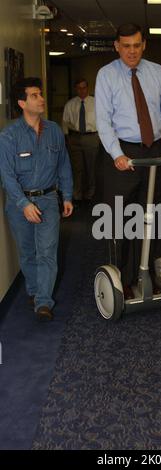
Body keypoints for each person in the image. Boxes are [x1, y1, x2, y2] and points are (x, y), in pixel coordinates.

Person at [95, 23, 161, 298]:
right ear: (116, 46)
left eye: (137, 45)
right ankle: (119, 279)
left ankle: (143, 271)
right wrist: (117, 154)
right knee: (118, 219)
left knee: (150, 215)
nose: (132, 51)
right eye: (126, 46)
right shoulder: (107, 75)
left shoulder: (157, 72)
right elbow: (103, 121)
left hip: (154, 150)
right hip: (122, 152)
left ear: (144, 44)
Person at [0, 77, 73, 321]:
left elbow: (64, 166)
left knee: (47, 252)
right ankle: (34, 290)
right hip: (18, 203)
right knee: (28, 252)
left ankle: (44, 301)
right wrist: (23, 204)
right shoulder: (9, 136)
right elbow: (7, 176)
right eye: (34, 95)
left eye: (40, 94)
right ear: (22, 102)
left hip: (48, 199)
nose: (41, 99)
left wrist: (67, 196)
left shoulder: (54, 131)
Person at [62, 78, 99, 204]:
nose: (81, 90)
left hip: (92, 137)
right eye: (79, 88)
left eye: (83, 87)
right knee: (77, 168)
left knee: (92, 167)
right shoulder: (70, 104)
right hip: (75, 138)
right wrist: (67, 139)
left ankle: (91, 194)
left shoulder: (96, 102)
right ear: (76, 89)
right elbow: (65, 123)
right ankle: (77, 195)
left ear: (87, 88)